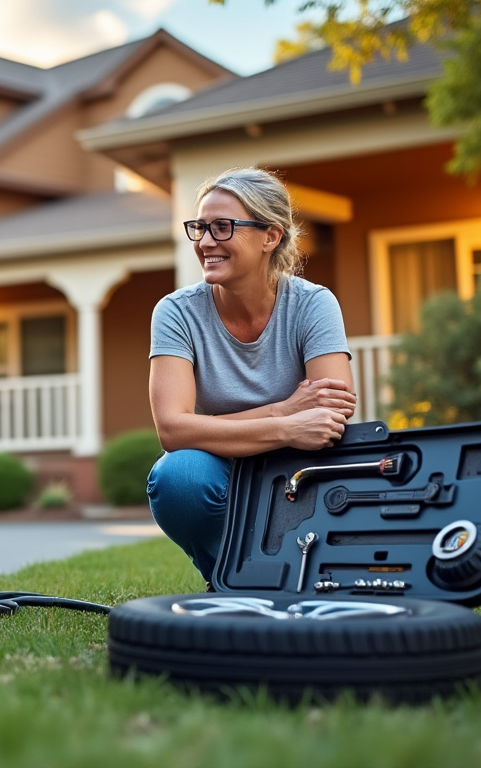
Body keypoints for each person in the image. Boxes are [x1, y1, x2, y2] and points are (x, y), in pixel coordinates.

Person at [146, 167, 356, 585]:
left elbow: (330, 418)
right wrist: (284, 417)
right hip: (222, 474)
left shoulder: (313, 305)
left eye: (222, 228)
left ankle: (301, 575)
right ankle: (230, 578)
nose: (205, 243)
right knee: (178, 476)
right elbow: (172, 429)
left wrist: (210, 429)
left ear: (270, 236)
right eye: (200, 228)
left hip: (302, 470)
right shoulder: (176, 312)